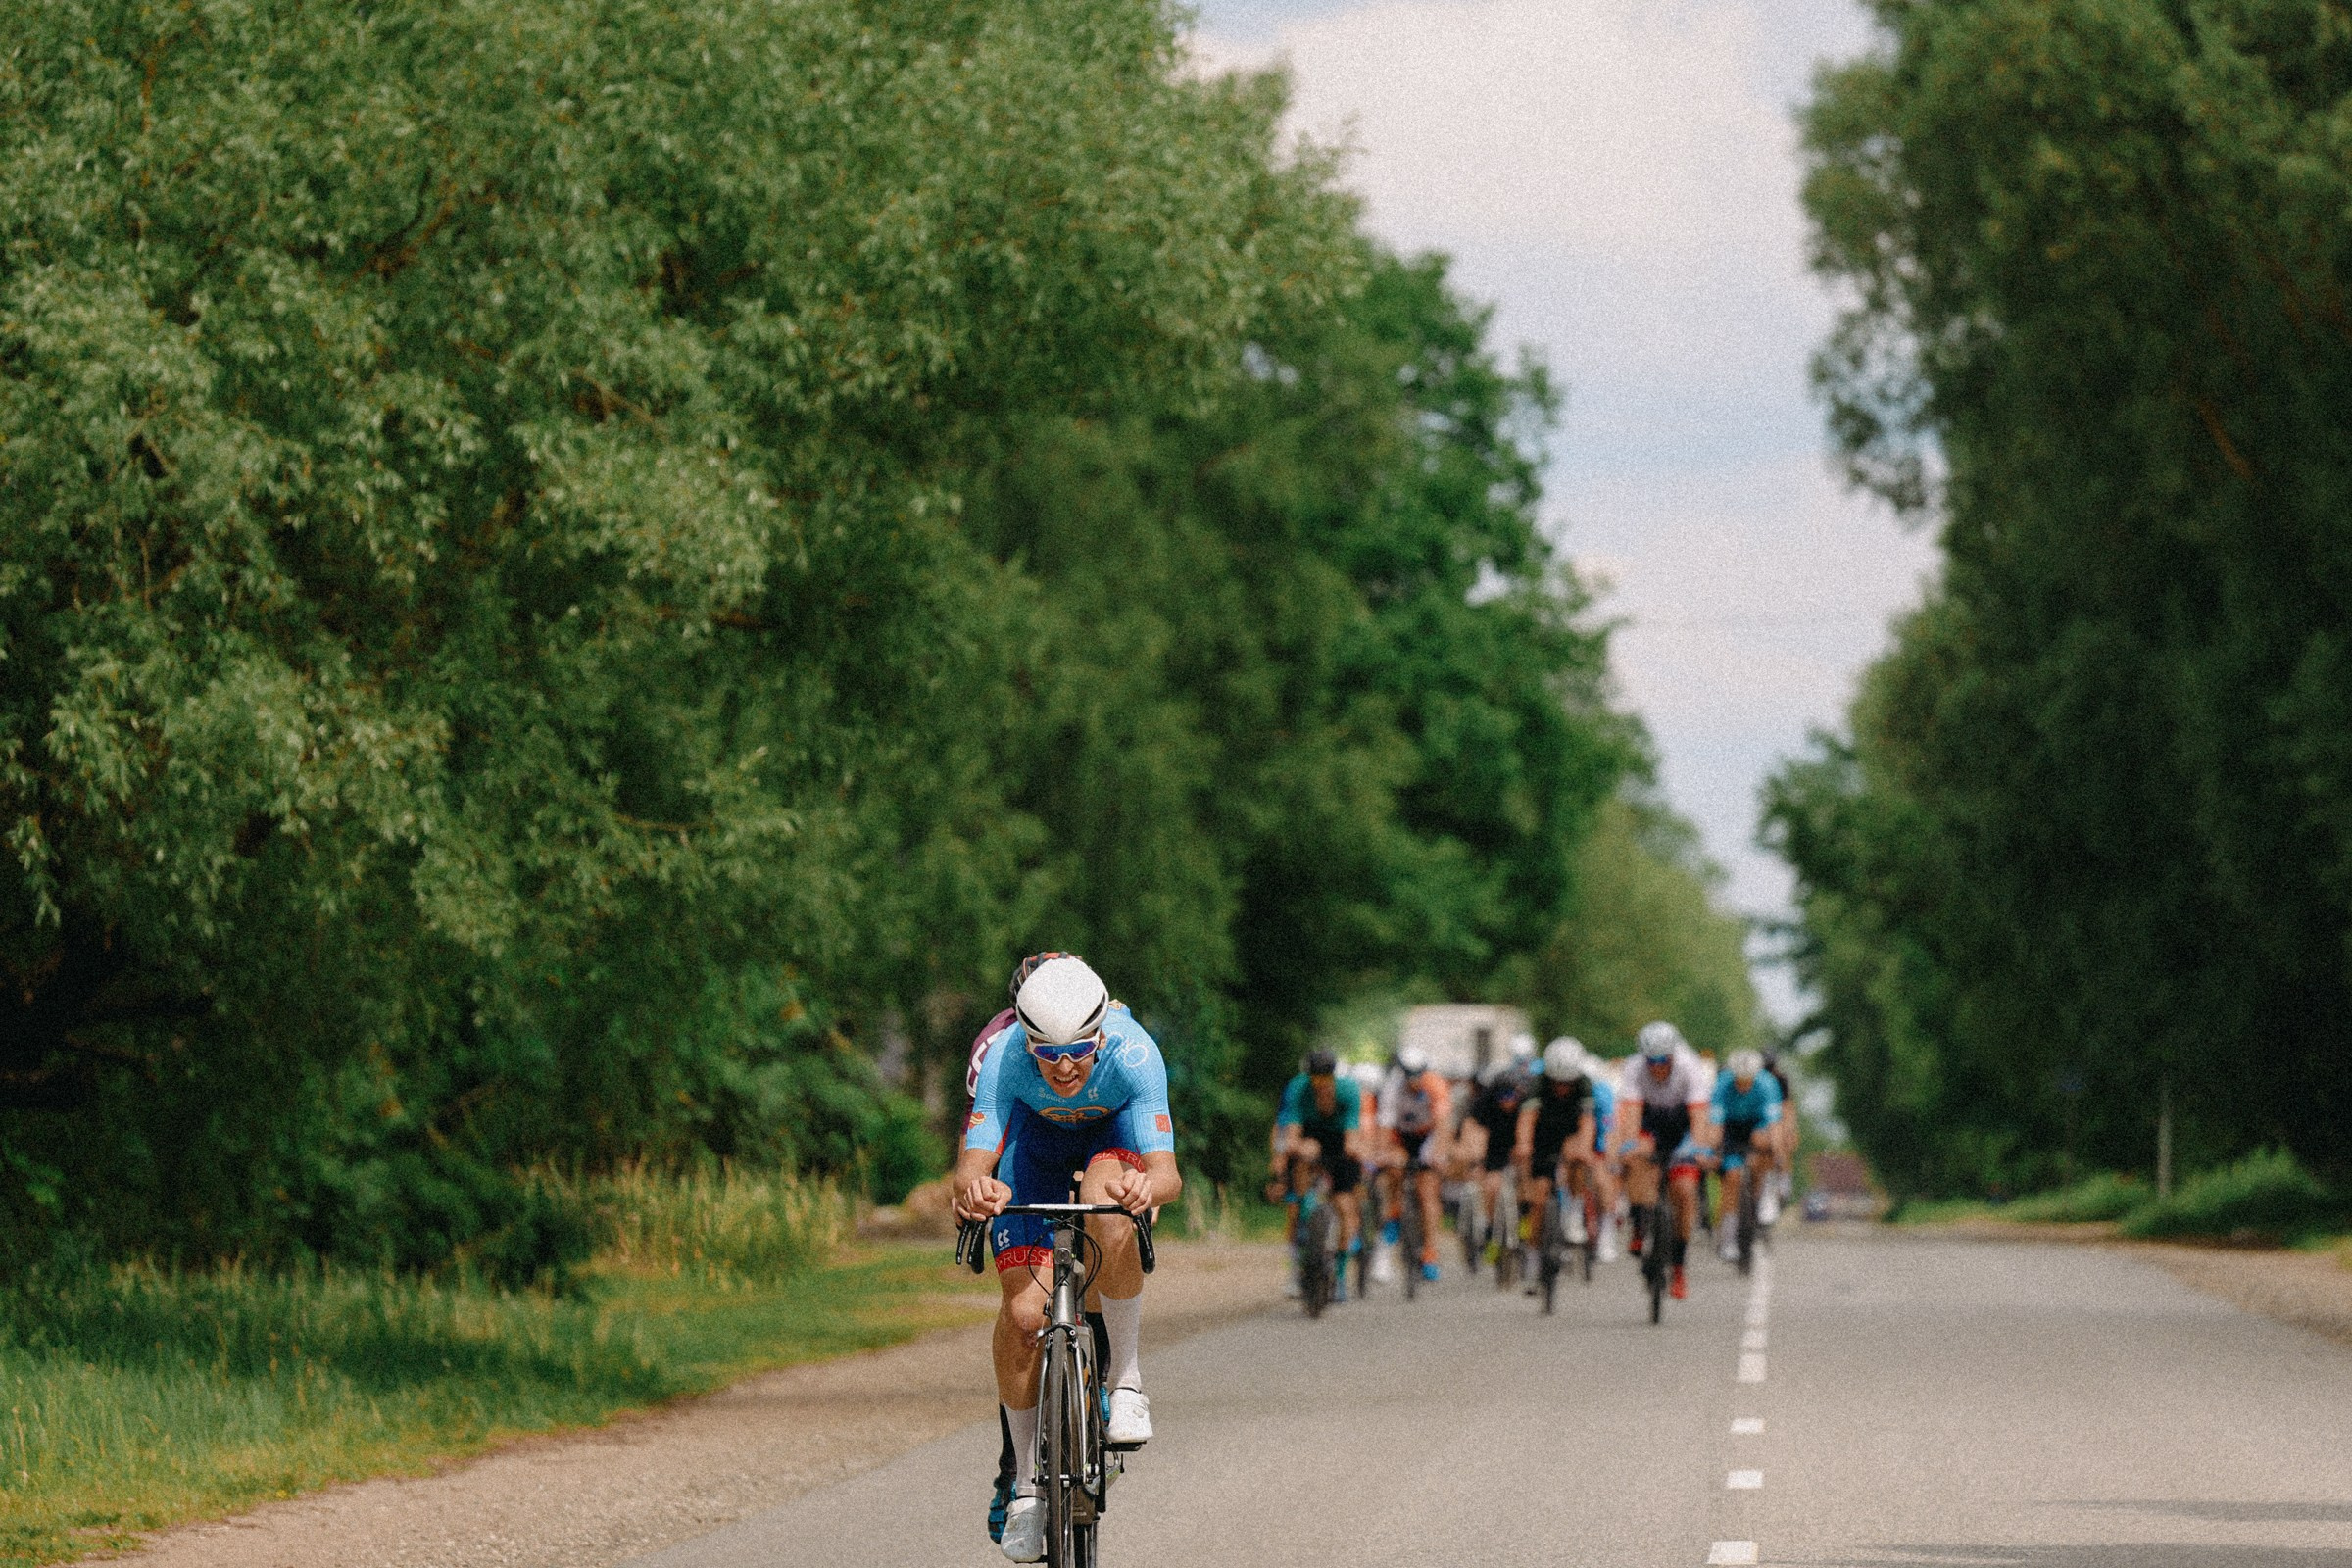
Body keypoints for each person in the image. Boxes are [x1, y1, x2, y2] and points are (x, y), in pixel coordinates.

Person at [955, 954, 1183, 1564]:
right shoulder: (1002, 1054)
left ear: (1101, 1033)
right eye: (1047, 1051)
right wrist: (977, 1188)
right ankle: (1027, 1487)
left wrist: (1145, 1192)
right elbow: (974, 1158)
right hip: (1033, 1155)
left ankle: (1125, 1380)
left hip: (1109, 1148)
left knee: (1109, 1203)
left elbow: (1167, 1174)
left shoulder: (1135, 1053)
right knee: (1026, 1317)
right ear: (1024, 1037)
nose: (1062, 1065)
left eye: (1079, 1050)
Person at [1614, 1020, 1713, 1301]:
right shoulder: (1634, 1067)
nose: (1657, 1066)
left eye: (1663, 1060)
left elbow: (1699, 1117)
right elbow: (1631, 1113)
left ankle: (1679, 1266)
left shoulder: (1690, 1066)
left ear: (1673, 1055)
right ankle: (1640, 1219)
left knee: (1685, 1191)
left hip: (1681, 1123)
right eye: (1651, 1061)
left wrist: (1700, 1148)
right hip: (1650, 1119)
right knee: (1636, 1160)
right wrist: (1629, 1144)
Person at [1272, 1048, 1368, 1300]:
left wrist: (1357, 1153)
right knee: (1295, 1205)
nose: (1321, 1085)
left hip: (1339, 1141)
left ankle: (1339, 1274)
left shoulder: (1348, 1091)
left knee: (1345, 1207)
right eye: (1316, 1079)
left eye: (1325, 1080)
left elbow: (1351, 1140)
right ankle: (1296, 1267)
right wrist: (1294, 1150)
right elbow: (1291, 1134)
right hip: (1310, 1136)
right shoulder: (1298, 1088)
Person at [1516, 1038, 1598, 1263]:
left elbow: (1587, 1121)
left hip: (1569, 1134)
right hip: (1543, 1137)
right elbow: (1526, 1119)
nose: (1562, 1087)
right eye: (1557, 1082)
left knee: (1577, 1154)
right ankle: (1532, 1253)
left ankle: (1574, 1210)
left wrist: (1584, 1146)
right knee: (1539, 1198)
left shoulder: (1584, 1084)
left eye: (1568, 1082)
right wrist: (1524, 1144)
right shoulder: (1537, 1083)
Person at [1377, 1044, 1452, 1282]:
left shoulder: (1436, 1085)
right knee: (1395, 1168)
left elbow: (1443, 1125)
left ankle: (1430, 1251)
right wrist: (1384, 1153)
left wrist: (1438, 1155)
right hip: (1402, 1136)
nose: (1415, 1080)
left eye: (1419, 1074)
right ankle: (1394, 1211)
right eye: (1410, 1075)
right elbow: (1385, 1127)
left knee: (1427, 1191)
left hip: (1427, 1136)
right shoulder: (1392, 1088)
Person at [1464, 1041, 1535, 1269]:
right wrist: (1474, 1156)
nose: (1507, 1101)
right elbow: (1472, 1128)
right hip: (1495, 1146)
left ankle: (1524, 1221)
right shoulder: (1486, 1101)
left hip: (1521, 1142)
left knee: (1526, 1177)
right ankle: (1491, 1228)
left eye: (1512, 1096)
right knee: (1492, 1185)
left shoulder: (1526, 1101)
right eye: (1503, 1096)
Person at [1711, 1048, 1783, 1260]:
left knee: (1764, 1145)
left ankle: (1762, 1193)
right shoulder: (1722, 1084)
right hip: (1731, 1128)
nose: (1743, 1084)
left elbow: (1774, 1126)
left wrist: (1777, 1154)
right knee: (1732, 1177)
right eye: (1739, 1080)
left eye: (1748, 1080)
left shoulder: (1767, 1085)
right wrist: (1713, 1150)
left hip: (1756, 1127)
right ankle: (1728, 1238)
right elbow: (1715, 1126)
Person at [1580, 1043, 1623, 1262]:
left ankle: (1607, 1234)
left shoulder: (1603, 1094)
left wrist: (1610, 1158)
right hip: (1575, 1140)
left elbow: (1610, 1131)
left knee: (1604, 1183)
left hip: (1598, 1143)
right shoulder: (1572, 1090)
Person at [1762, 1050, 1796, 1223]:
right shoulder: (1756, 1078)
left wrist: (1789, 1130)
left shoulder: (1782, 1079)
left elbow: (1787, 1106)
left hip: (1778, 1114)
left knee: (1782, 1144)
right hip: (1761, 1116)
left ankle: (1784, 1182)